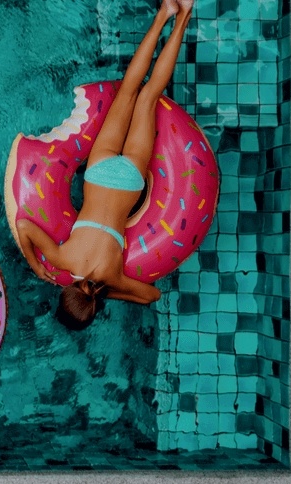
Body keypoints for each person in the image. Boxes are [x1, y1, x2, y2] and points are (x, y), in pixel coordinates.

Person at [13, 0, 194, 331]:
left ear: (93, 307)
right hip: (98, 172)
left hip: (129, 182)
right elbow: (25, 228)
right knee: (128, 91)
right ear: (65, 292)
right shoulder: (59, 259)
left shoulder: (112, 277)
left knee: (150, 95)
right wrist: (34, 264)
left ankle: (183, 16)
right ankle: (164, 13)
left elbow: (152, 296)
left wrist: (111, 292)